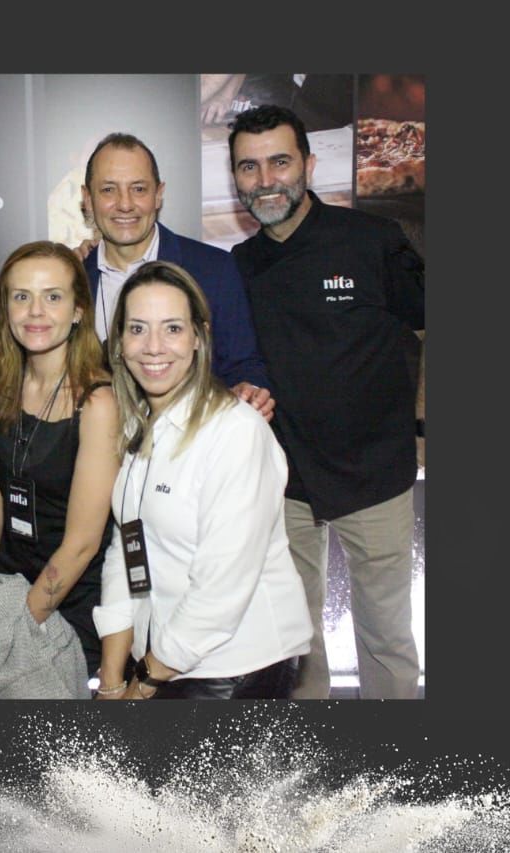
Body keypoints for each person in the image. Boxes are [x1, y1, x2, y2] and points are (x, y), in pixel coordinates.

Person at [229, 105, 424, 700]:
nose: (267, 180)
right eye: (250, 167)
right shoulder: (236, 268)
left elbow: (424, 327)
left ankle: (393, 768)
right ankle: (312, 771)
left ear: (309, 165)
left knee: (387, 635)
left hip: (376, 477)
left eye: (280, 162)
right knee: (295, 641)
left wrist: (417, 427)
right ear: (236, 179)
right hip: (285, 483)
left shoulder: (373, 241)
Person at [93, 261, 312, 700]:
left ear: (199, 337)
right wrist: (112, 677)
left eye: (172, 328)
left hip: (235, 671)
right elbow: (127, 546)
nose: (154, 347)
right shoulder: (140, 426)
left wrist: (142, 685)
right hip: (163, 663)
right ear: (118, 343)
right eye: (137, 328)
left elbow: (221, 588)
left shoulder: (236, 431)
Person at [0, 240, 120, 687]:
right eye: (21, 296)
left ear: (78, 310)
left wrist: (17, 628)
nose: (35, 311)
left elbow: (83, 544)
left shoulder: (98, 402)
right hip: (7, 591)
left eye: (53, 296)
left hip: (69, 605)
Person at [79, 132, 274, 420]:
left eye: (139, 189)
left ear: (158, 195)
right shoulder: (73, 280)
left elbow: (245, 365)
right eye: (108, 189)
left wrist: (249, 390)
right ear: (87, 198)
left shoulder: (214, 269)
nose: (124, 204)